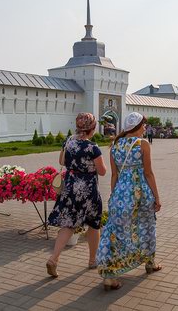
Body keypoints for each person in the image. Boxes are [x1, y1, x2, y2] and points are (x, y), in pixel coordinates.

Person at [97, 112, 162, 290]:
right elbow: (148, 173)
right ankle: (150, 263)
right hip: (140, 194)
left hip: (120, 194)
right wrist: (157, 197)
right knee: (146, 226)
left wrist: (113, 196)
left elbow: (114, 174)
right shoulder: (142, 144)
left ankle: (110, 274)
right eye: (144, 125)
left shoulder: (115, 145)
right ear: (138, 126)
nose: (145, 128)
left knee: (116, 232)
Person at [46, 112, 107, 277]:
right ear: (92, 128)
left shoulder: (68, 142)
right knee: (94, 225)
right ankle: (92, 260)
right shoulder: (92, 148)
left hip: (70, 188)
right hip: (88, 191)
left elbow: (61, 162)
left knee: (68, 224)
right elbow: (102, 172)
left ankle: (54, 258)